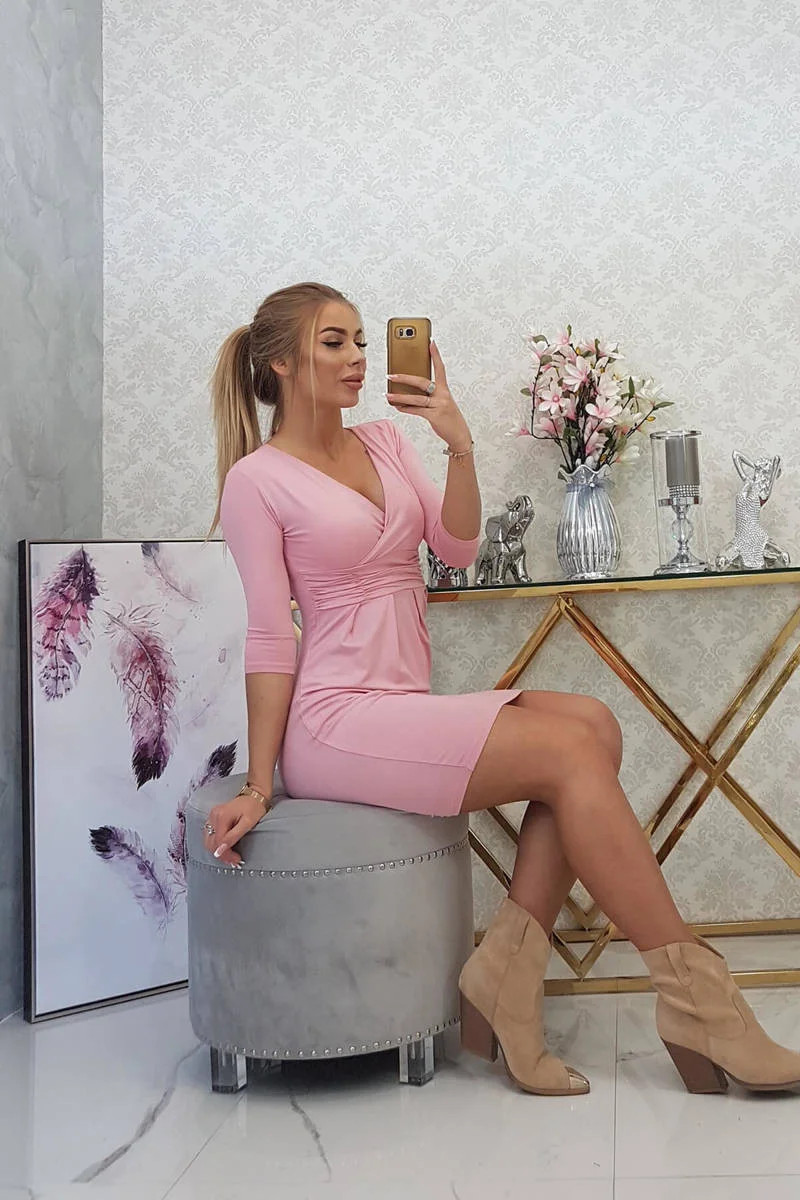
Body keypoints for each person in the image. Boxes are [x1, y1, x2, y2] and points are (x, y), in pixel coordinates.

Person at [205, 281, 800, 1099]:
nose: (358, 358)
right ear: (280, 362)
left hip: (399, 704)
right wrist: (259, 783)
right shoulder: (257, 480)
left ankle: (506, 981)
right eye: (333, 342)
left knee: (593, 725)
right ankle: (700, 1003)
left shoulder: (384, 441)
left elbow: (455, 546)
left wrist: (458, 443)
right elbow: (272, 638)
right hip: (336, 720)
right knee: (568, 751)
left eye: (361, 340)